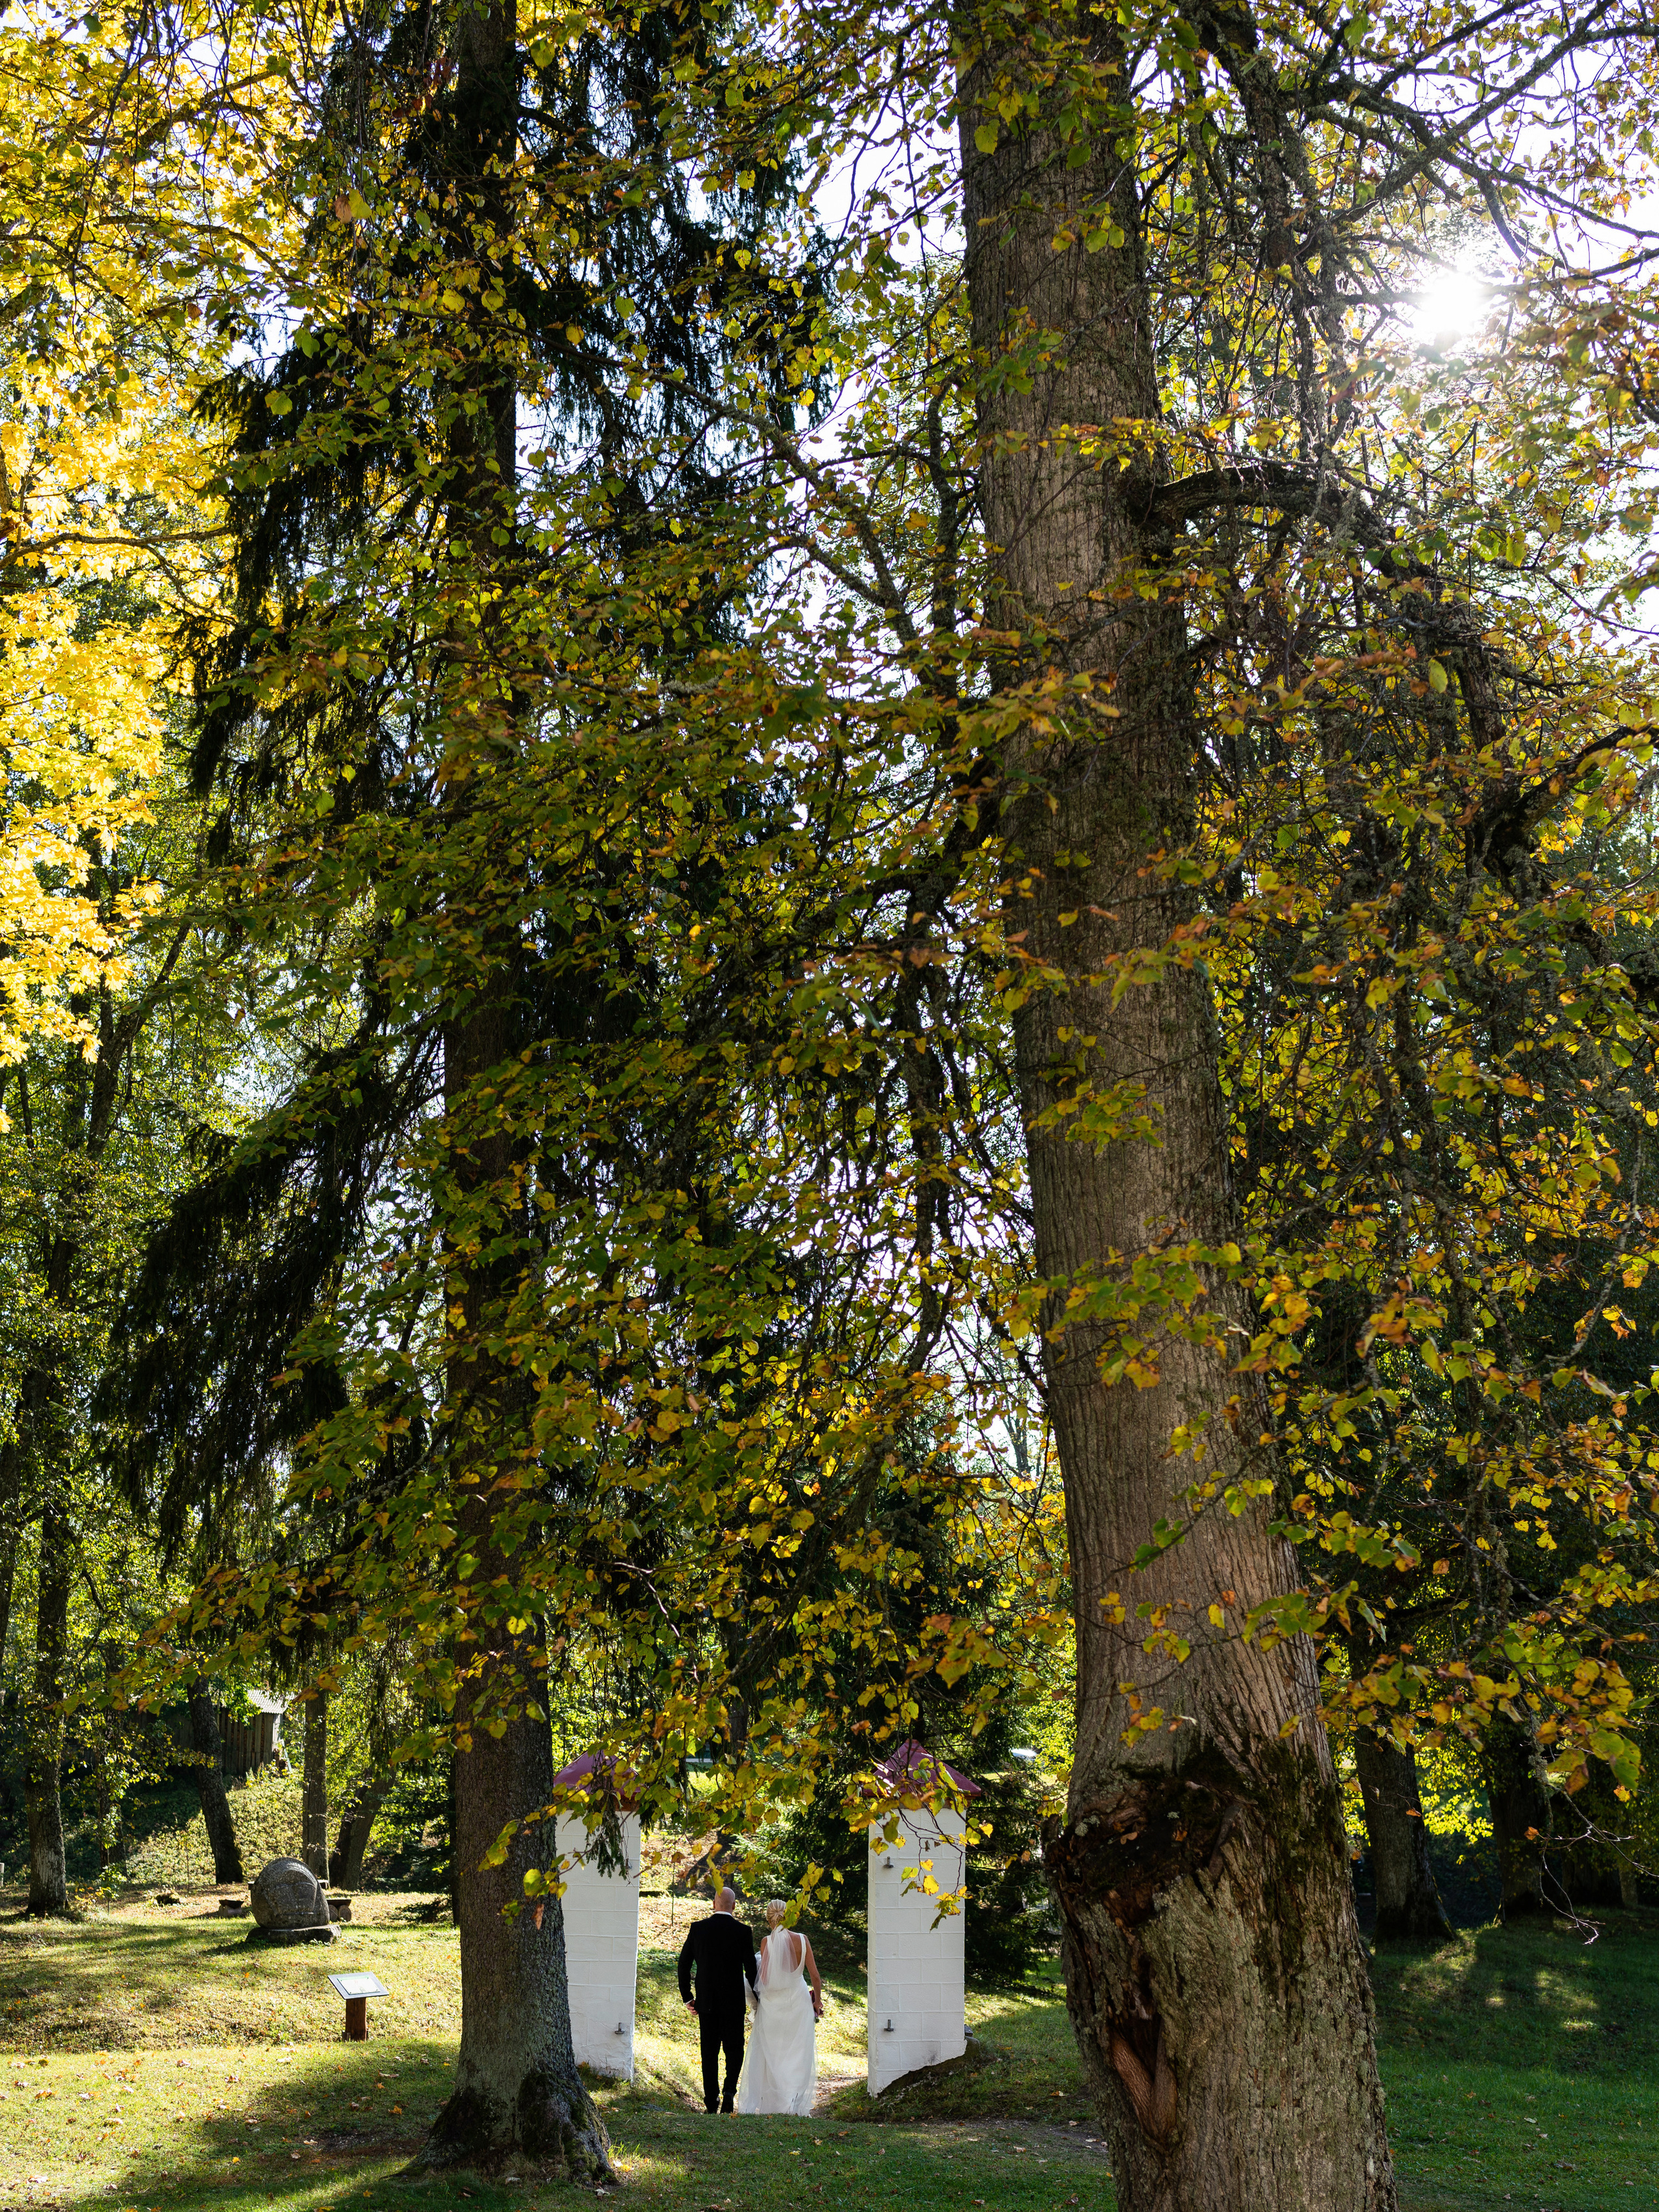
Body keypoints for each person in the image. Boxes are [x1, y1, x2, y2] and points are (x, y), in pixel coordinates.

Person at [734, 1900, 822, 2117]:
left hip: (773, 2006)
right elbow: (815, 1976)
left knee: (773, 2053)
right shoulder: (803, 1940)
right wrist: (817, 2001)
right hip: (799, 2001)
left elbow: (763, 1980)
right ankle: (793, 2103)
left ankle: (774, 2102)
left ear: (768, 1917)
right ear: (789, 1915)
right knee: (797, 2052)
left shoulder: (767, 1942)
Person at [677, 1885, 759, 2113]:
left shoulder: (698, 1929)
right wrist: (760, 1998)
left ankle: (711, 2102)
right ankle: (730, 2093)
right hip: (733, 2003)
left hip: (707, 2002)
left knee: (709, 2052)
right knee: (735, 2050)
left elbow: (683, 1965)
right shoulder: (743, 1931)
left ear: (714, 1904)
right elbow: (751, 1970)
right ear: (734, 1906)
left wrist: (688, 1997)